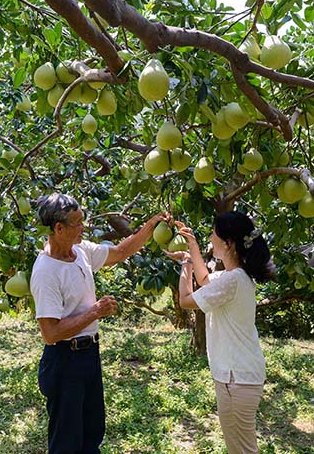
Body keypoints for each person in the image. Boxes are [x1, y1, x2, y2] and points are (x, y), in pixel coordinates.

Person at [30, 192, 169, 454]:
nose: (84, 227)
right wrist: (94, 312)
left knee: (92, 432)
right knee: (66, 441)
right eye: (78, 223)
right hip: (64, 360)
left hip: (89, 355)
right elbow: (50, 333)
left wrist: (150, 226)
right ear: (59, 228)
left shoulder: (80, 251)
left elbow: (120, 251)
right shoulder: (46, 271)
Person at [163, 211, 275, 454]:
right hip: (236, 376)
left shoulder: (232, 280)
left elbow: (185, 300)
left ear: (229, 243)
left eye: (214, 234)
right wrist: (190, 247)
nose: (210, 238)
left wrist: (185, 263)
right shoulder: (234, 276)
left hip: (238, 379)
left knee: (243, 449)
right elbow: (204, 278)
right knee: (238, 447)